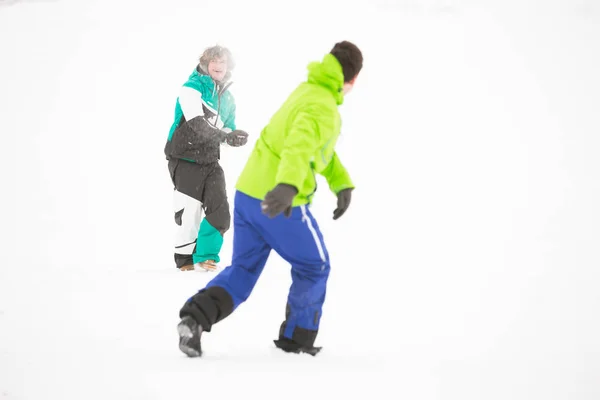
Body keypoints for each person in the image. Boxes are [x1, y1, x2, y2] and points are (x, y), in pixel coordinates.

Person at [176, 41, 363, 356]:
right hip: (280, 201)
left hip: (249, 193)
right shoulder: (323, 106)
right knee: (314, 266)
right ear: (353, 80)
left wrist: (340, 182)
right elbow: (299, 145)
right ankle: (297, 340)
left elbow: (314, 147)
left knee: (243, 269)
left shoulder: (307, 91)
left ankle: (194, 319)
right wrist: (289, 186)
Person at [164, 45, 249, 272]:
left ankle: (206, 256)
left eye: (222, 62)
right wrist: (225, 136)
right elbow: (197, 124)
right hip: (184, 157)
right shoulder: (191, 88)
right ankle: (185, 261)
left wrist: (234, 137)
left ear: (229, 66)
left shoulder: (229, 98)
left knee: (220, 211)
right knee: (189, 211)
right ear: (205, 64)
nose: (218, 66)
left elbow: (227, 129)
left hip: (210, 161)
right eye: (214, 62)